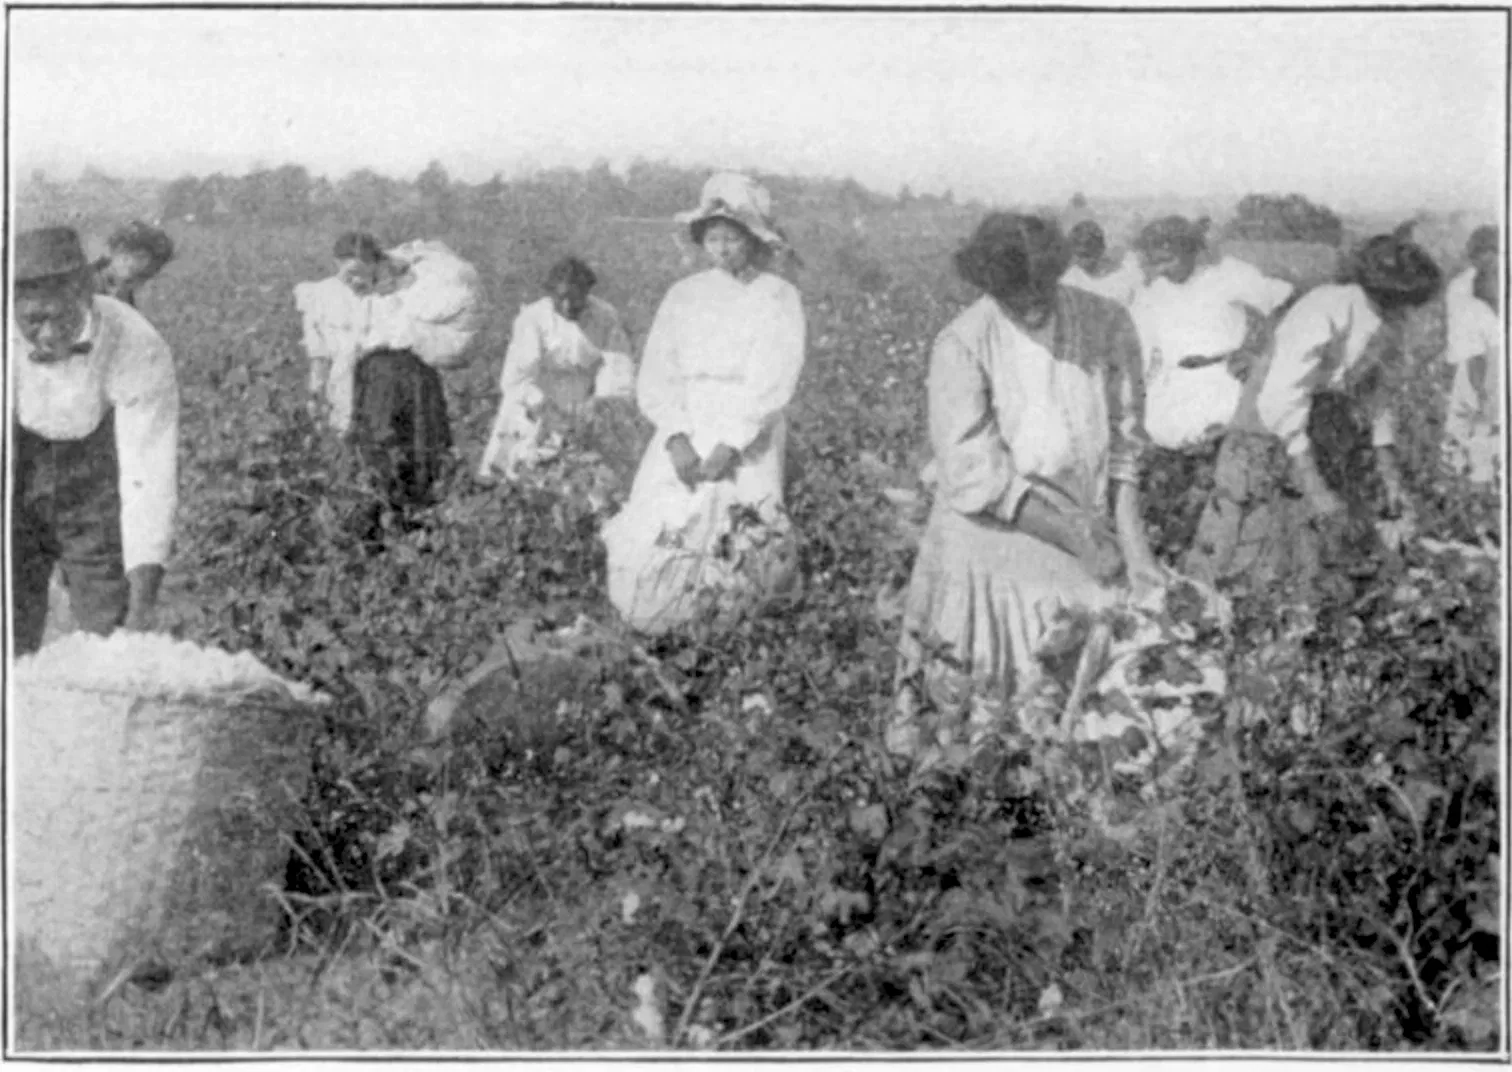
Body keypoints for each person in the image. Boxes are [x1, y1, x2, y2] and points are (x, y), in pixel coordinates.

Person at [887, 213, 1165, 760]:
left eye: (1041, 288)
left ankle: (1069, 785)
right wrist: (1078, 541)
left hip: (1082, 513)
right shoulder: (964, 342)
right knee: (993, 699)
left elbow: (1125, 443)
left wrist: (1135, 548)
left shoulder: (1107, 323)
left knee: (1095, 673)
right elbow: (976, 474)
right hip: (994, 529)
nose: (1032, 302)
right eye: (1015, 293)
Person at [1185, 227, 1443, 595]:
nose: (1406, 313)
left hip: (1321, 430)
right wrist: (1312, 481)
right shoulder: (1328, 308)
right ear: (1384, 291)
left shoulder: (1392, 324)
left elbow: (1378, 399)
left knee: (1313, 550)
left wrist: (1389, 476)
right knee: (1245, 543)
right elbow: (1282, 400)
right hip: (1268, 432)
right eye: (1401, 302)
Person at [602, 172, 805, 634]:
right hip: (689, 416)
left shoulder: (778, 296)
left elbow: (774, 376)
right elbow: (658, 369)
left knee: (740, 521)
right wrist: (675, 436)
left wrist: (731, 443)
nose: (722, 249)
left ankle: (734, 629)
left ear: (753, 241)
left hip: (747, 423)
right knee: (664, 518)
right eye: (713, 239)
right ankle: (660, 621)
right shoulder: (685, 295)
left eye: (732, 239)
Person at [11, 226, 179, 655]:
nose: (48, 335)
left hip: (93, 482)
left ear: (86, 292)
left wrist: (140, 605)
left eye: (60, 317)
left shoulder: (136, 343)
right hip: (16, 467)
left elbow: (148, 469)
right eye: (33, 320)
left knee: (109, 630)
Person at [1126, 216, 1296, 561]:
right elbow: (1139, 354)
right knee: (1170, 484)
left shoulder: (1227, 276)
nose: (1163, 266)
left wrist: (1255, 350)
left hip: (1221, 380)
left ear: (1190, 250)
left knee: (1219, 485)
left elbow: (1283, 300)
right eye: (1156, 259)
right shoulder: (1150, 296)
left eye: (1170, 256)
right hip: (1172, 388)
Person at [294, 231, 480, 537]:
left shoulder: (402, 295)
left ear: (376, 266)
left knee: (402, 462)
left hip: (394, 391)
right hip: (349, 388)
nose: (353, 282)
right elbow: (320, 356)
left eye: (360, 274)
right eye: (346, 274)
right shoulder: (324, 297)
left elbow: (443, 333)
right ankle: (364, 536)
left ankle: (404, 532)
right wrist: (316, 394)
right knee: (355, 463)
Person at [478, 256, 637, 483]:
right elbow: (516, 378)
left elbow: (616, 366)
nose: (568, 306)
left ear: (587, 293)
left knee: (582, 469)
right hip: (535, 396)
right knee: (516, 465)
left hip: (583, 398)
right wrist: (544, 408)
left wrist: (599, 403)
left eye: (576, 299)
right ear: (550, 294)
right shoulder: (532, 318)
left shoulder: (605, 316)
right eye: (560, 298)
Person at [1442, 226, 1501, 483]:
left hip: (1488, 364)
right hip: (1478, 370)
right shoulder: (1463, 293)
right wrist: (1485, 404)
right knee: (1474, 435)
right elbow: (1475, 357)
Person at [1059, 220, 1143, 307]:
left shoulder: (1125, 278)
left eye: (1086, 255)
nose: (1080, 261)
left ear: (1101, 249)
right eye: (1078, 255)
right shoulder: (1069, 279)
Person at [93, 220, 175, 307]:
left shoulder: (126, 304)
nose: (117, 290)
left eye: (130, 282)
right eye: (111, 282)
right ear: (118, 249)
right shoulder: (86, 279)